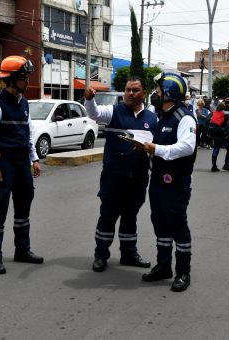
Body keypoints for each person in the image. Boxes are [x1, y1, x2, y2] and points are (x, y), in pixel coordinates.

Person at [84, 77, 157, 273]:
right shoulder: (113, 112)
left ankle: (129, 253)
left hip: (138, 177)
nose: (130, 93)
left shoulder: (152, 118)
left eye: (135, 90)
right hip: (114, 176)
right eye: (127, 90)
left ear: (144, 93)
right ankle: (100, 255)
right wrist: (89, 99)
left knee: (130, 216)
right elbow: (94, 114)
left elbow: (157, 146)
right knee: (108, 215)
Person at [0, 56, 43, 274]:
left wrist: (34, 158)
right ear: (13, 79)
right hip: (4, 162)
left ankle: (22, 250)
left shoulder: (24, 103)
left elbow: (27, 134)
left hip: (21, 162)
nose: (27, 81)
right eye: (24, 78)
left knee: (23, 208)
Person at [139, 72, 197, 292]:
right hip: (158, 181)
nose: (155, 94)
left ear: (169, 93)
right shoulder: (162, 116)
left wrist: (157, 149)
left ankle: (183, 271)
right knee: (160, 224)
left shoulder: (185, 117)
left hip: (176, 183)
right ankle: (164, 266)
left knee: (178, 227)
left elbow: (187, 146)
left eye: (159, 91)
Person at [209, 102, 229, 172]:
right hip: (221, 132)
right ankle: (226, 165)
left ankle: (213, 166)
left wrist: (209, 132)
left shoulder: (213, 113)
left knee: (216, 148)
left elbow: (208, 120)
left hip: (214, 132)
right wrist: (226, 133)